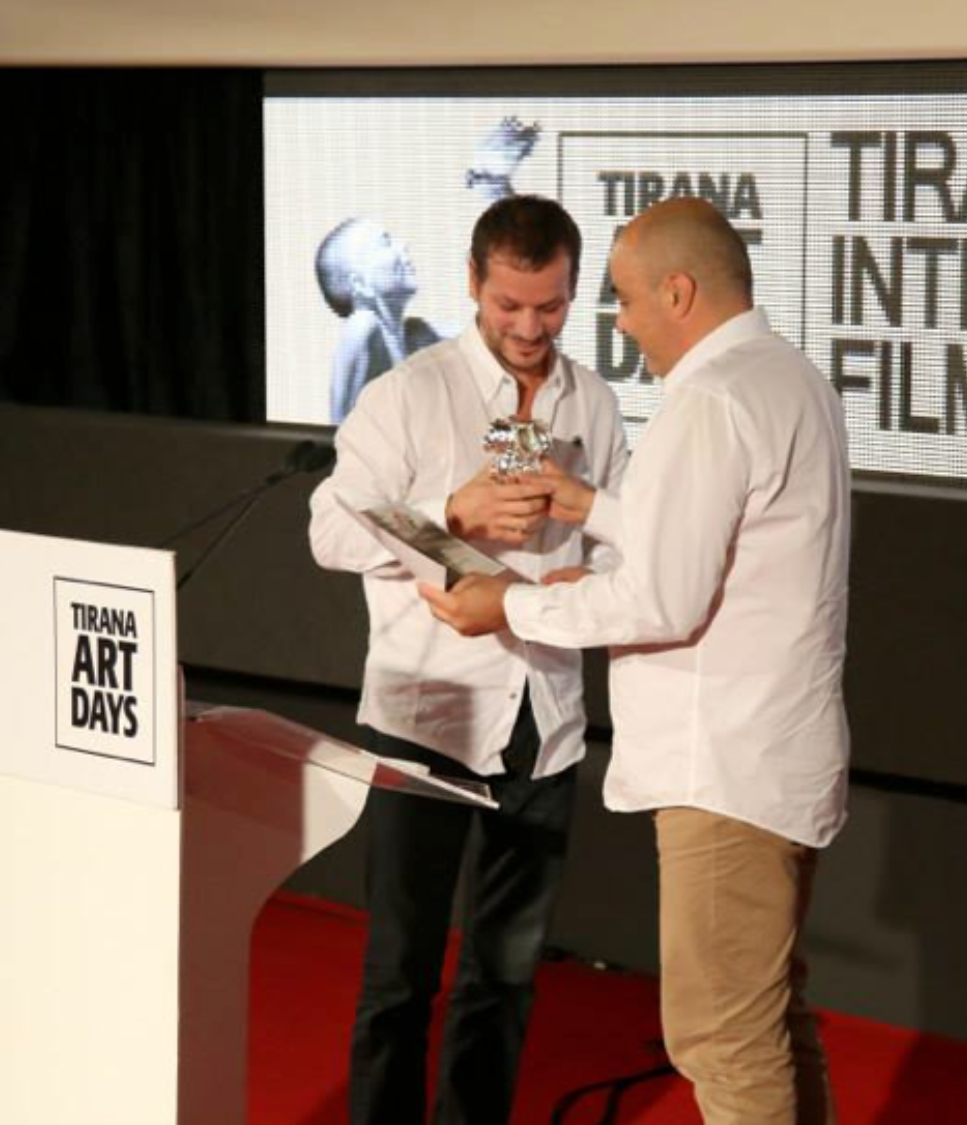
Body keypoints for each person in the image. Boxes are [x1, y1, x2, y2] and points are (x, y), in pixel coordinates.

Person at [423, 197, 851, 1125]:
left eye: (622, 298)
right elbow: (722, 541)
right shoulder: (789, 377)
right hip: (773, 757)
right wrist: (591, 505)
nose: (618, 322)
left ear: (680, 290)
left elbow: (661, 596)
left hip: (724, 770)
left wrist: (509, 603)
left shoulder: (710, 398)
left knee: (721, 1040)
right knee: (767, 1018)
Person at [308, 195, 628, 1125]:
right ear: (474, 287)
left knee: (507, 973)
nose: (530, 329)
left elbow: (621, 549)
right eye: (508, 307)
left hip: (547, 718)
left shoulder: (593, 401)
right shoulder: (412, 392)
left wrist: (567, 594)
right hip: (426, 711)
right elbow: (330, 525)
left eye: (552, 306)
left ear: (575, 292)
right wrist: (450, 516)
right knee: (400, 973)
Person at [315, 217, 441, 423]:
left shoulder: (418, 334)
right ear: (361, 284)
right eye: (385, 243)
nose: (403, 246)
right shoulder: (363, 326)